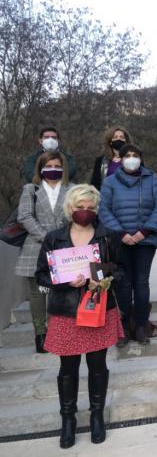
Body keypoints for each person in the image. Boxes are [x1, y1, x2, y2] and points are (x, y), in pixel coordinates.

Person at [35, 184, 123, 448]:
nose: (84, 212)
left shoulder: (107, 237)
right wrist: (64, 283)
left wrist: (101, 279)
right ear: (70, 208)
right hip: (65, 311)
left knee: (98, 366)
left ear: (96, 209)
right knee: (67, 369)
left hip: (96, 308)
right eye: (79, 207)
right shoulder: (54, 238)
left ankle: (97, 416)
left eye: (90, 207)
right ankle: (68, 419)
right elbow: (41, 274)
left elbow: (120, 272)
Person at [99, 144, 157, 346]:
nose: (131, 158)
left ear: (141, 158)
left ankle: (140, 325)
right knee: (123, 283)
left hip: (144, 240)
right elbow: (104, 209)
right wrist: (121, 233)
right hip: (120, 241)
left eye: (135, 155)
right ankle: (123, 327)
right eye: (127, 155)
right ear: (120, 158)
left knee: (141, 283)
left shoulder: (151, 179)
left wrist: (143, 232)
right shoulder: (110, 182)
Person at [15, 151, 73, 353]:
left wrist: (63, 236)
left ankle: (60, 333)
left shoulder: (71, 189)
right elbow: (24, 216)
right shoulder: (31, 189)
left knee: (61, 292)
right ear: (40, 168)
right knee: (39, 293)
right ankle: (41, 335)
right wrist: (45, 236)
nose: (53, 170)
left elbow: (76, 214)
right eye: (49, 166)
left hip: (64, 248)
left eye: (58, 166)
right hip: (36, 247)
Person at [90, 127, 132, 191]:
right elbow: (95, 183)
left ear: (126, 141)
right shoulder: (101, 161)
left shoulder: (134, 158)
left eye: (122, 137)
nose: (119, 139)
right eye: (115, 137)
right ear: (110, 142)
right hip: (107, 195)